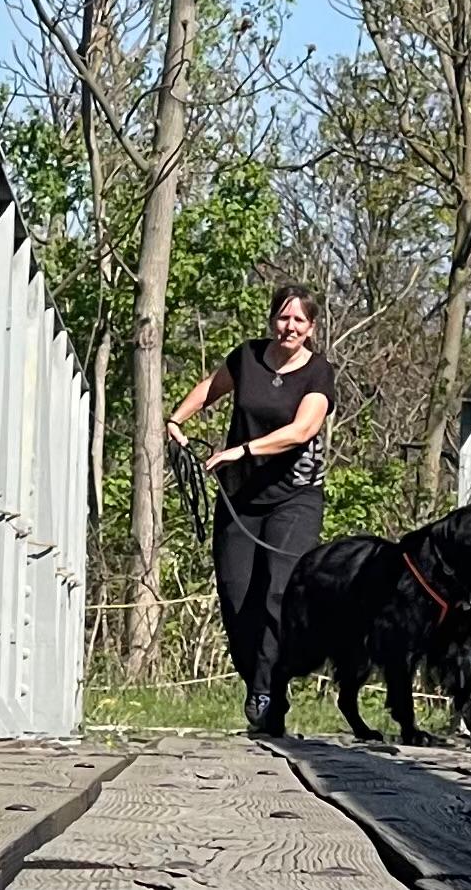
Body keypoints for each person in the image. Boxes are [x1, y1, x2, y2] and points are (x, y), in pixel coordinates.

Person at [166, 284, 336, 732]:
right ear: (272, 319)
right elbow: (211, 388)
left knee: (278, 592)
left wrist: (242, 450)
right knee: (236, 597)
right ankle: (259, 686)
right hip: (240, 496)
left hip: (295, 497)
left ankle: (268, 688)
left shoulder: (318, 373)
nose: (289, 327)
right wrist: (176, 420)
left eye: (299, 320)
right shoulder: (248, 357)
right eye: (283, 317)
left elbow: (301, 431)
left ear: (311, 327)